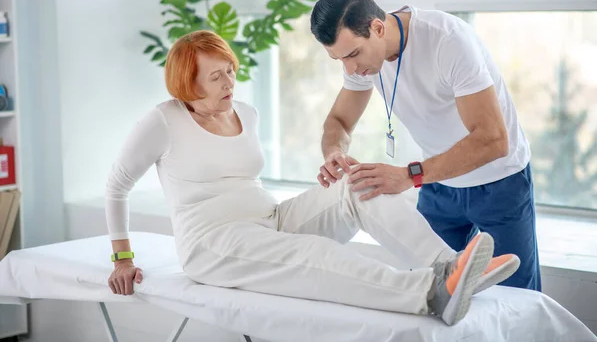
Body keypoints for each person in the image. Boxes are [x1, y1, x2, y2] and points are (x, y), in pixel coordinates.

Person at [105, 30, 520, 326]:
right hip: (213, 243)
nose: (230, 81)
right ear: (186, 84)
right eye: (216, 77)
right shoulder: (163, 121)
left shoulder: (245, 113)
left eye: (229, 70)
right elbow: (117, 184)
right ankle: (430, 295)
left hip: (270, 219)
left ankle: (448, 265)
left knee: (357, 183)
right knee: (314, 255)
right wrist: (123, 258)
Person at [309, 0, 540, 292]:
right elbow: (338, 121)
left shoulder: (447, 40)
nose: (351, 69)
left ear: (378, 28)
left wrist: (408, 175)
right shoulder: (361, 64)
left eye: (352, 54)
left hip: (499, 183)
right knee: (432, 292)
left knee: (518, 300)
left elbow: (493, 140)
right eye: (339, 59)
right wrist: (333, 151)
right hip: (438, 185)